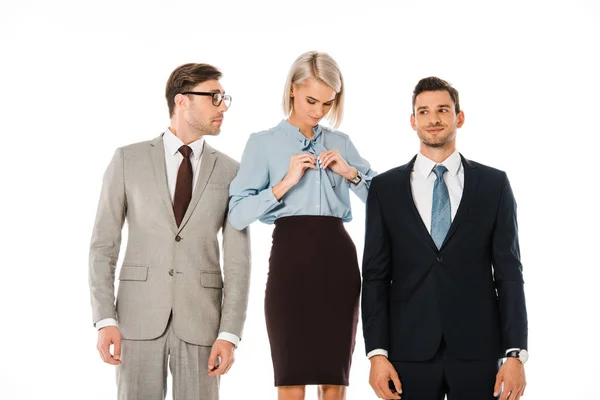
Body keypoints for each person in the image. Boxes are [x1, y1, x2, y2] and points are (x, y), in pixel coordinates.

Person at [88, 63, 251, 400]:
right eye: (215, 97)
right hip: (136, 319)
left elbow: (238, 262)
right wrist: (105, 319)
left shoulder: (233, 172)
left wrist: (230, 333)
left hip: (203, 322)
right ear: (182, 101)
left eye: (225, 98)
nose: (223, 107)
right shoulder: (127, 160)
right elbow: (103, 245)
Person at [361, 77, 529, 400]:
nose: (433, 119)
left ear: (459, 117)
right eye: (423, 112)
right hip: (408, 350)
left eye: (442, 110)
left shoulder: (494, 185)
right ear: (413, 121)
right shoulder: (385, 190)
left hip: (478, 349)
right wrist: (376, 354)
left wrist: (515, 353)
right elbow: (375, 278)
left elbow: (509, 274)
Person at [228, 51, 376, 400]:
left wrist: (351, 173)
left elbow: (385, 204)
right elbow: (237, 213)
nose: (319, 111)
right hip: (290, 264)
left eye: (327, 103)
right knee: (291, 378)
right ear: (292, 89)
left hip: (338, 263)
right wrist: (284, 183)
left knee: (334, 379)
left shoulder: (341, 143)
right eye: (312, 100)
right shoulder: (262, 143)